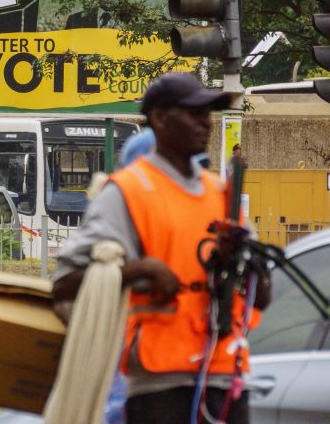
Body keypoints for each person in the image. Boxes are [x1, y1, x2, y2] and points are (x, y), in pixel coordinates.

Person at [53, 73, 271, 424]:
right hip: (159, 386)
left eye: (208, 113)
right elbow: (65, 282)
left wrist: (240, 263)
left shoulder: (222, 195)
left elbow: (262, 297)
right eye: (194, 112)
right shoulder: (128, 191)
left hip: (224, 379)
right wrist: (142, 271)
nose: (206, 122)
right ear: (159, 118)